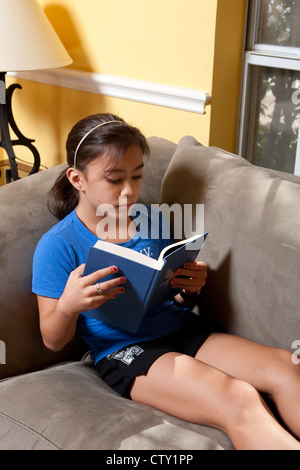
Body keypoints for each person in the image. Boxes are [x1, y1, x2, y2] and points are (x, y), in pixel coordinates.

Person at [32, 113, 300, 450]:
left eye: (137, 175)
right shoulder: (58, 245)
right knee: (238, 399)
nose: (129, 191)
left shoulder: (153, 220)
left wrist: (188, 288)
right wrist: (69, 306)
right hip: (127, 351)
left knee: (286, 367)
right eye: (114, 180)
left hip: (182, 330)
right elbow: (53, 340)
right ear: (77, 179)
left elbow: (171, 293)